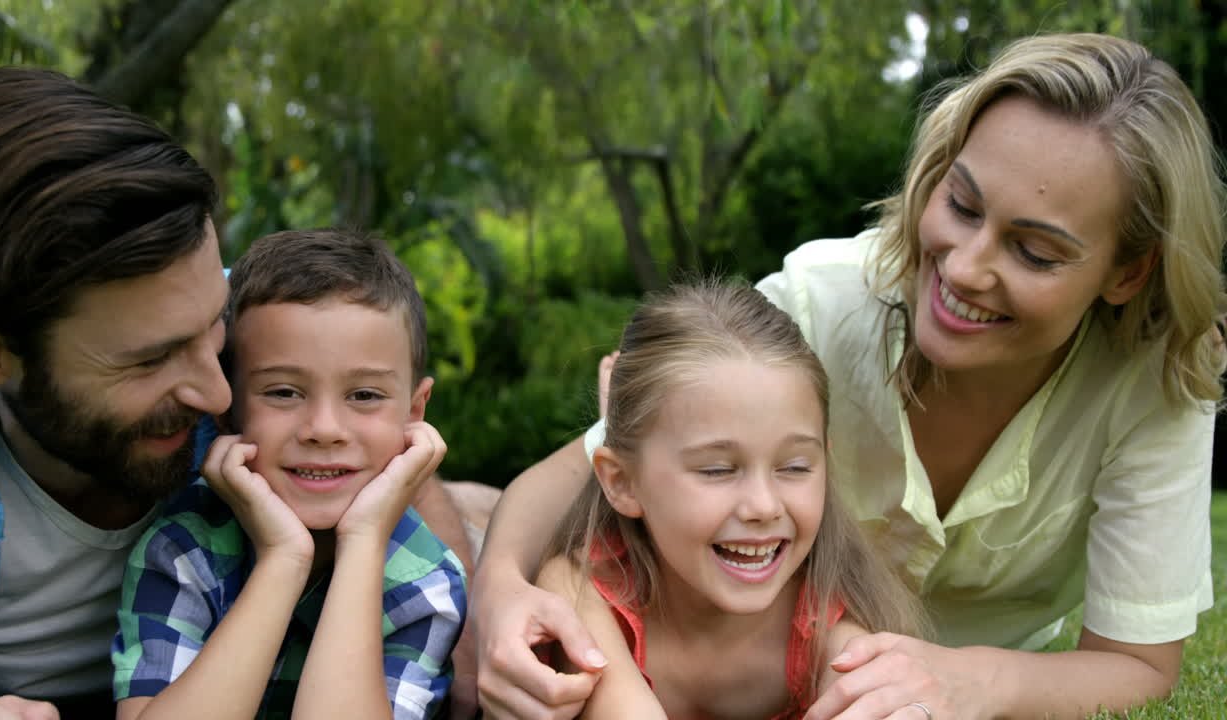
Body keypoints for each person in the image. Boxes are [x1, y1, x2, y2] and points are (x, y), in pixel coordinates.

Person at [472, 33, 1225, 720]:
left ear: (1129, 272)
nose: (965, 268)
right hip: (717, 629)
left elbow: (1138, 666)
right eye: (962, 205)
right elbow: (581, 472)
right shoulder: (819, 304)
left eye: (1034, 252)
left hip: (844, 662)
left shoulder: (1156, 384)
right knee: (462, 515)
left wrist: (974, 681)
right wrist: (499, 592)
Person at [0, 67, 474, 720]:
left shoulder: (249, 321)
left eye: (213, 329)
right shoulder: (186, 552)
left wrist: (478, 623)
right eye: (152, 359)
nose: (219, 391)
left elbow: (387, 439)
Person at [112, 229, 466, 719]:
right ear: (227, 413)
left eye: (364, 395)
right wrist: (283, 559)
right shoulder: (185, 550)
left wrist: (364, 542)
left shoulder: (423, 584)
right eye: (283, 392)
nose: (324, 429)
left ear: (414, 412)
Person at [536, 282, 928, 718]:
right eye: (717, 470)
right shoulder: (578, 592)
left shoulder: (839, 636)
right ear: (623, 482)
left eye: (794, 466)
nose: (763, 506)